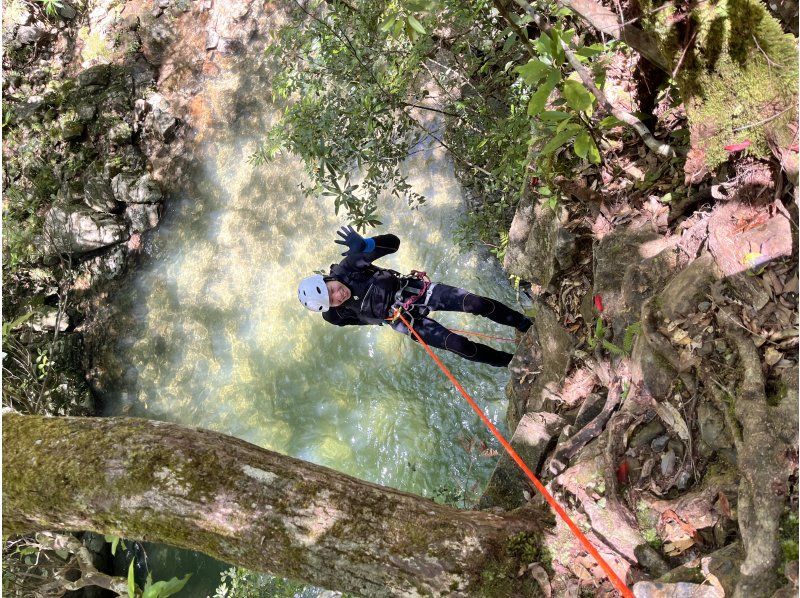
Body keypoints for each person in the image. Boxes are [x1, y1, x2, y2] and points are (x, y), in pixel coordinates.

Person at [297, 226, 532, 367]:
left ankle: (525, 325)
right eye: (333, 300)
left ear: (328, 279)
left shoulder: (349, 267)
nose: (339, 295)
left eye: (333, 289)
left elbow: (393, 244)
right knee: (459, 345)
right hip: (402, 321)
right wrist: (381, 317)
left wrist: (368, 245)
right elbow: (358, 319)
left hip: (415, 291)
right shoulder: (334, 316)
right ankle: (512, 363)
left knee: (476, 303)